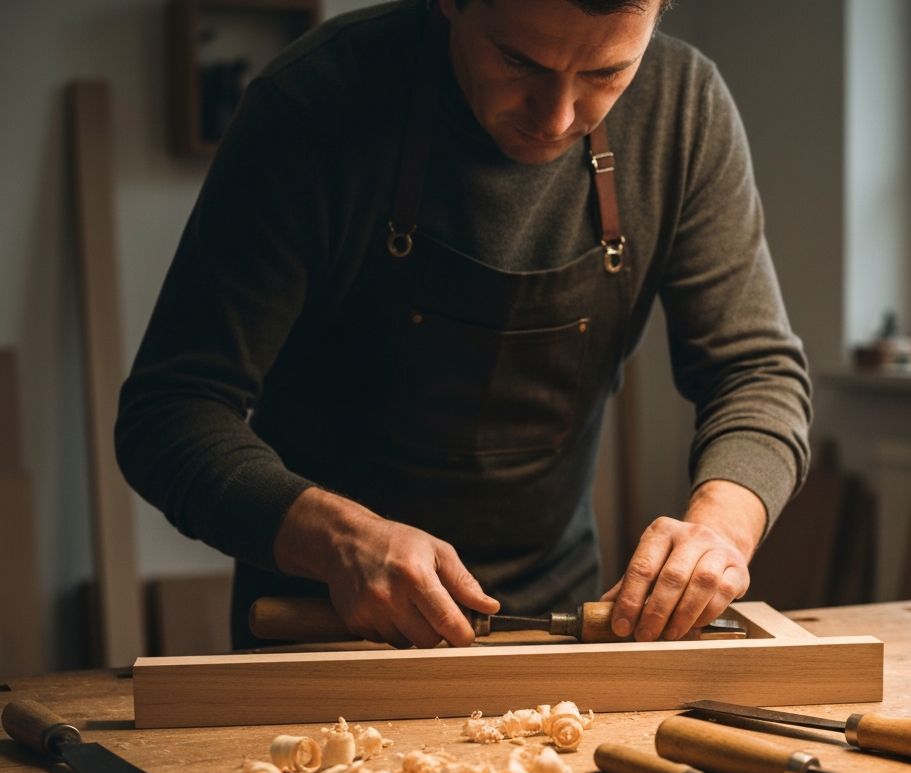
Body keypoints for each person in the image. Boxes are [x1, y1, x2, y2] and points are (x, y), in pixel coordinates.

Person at [116, 0, 811, 650]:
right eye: (520, 63)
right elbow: (169, 413)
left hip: (557, 632)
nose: (558, 117)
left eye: (606, 73)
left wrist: (721, 529)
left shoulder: (683, 106)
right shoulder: (312, 104)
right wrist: (337, 540)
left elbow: (756, 373)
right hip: (324, 625)